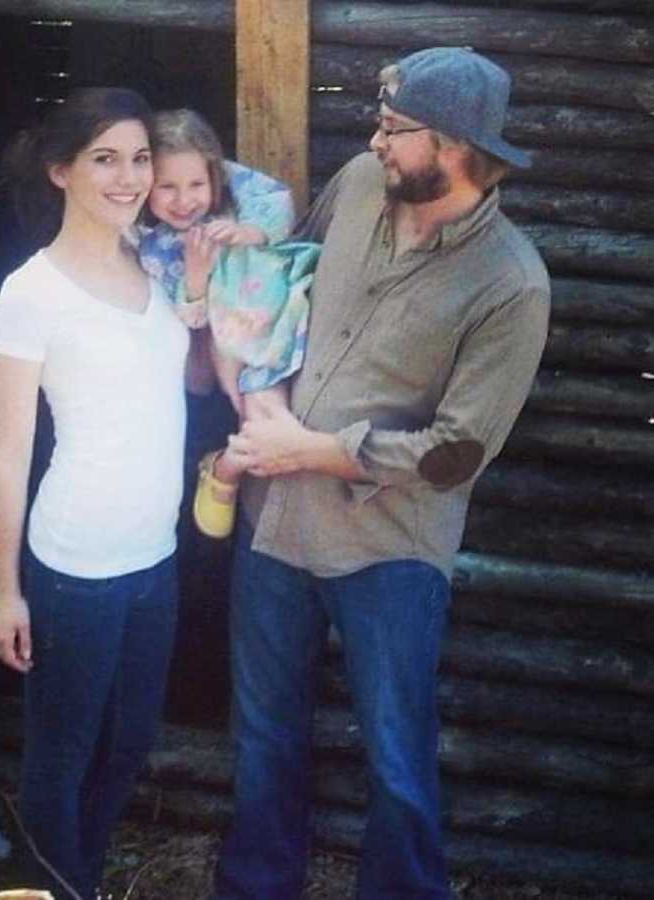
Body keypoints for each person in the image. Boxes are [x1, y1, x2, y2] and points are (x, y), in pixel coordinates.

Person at [212, 48, 551, 900]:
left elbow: (457, 451)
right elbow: (289, 286)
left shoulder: (512, 283)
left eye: (395, 131)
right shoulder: (362, 186)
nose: (374, 143)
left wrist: (317, 451)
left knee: (397, 758)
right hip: (273, 523)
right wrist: (266, 406)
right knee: (262, 737)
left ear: (454, 146)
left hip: (392, 552)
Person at [0, 87, 208, 900]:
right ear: (59, 171)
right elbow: (8, 454)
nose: (130, 177)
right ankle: (60, 887)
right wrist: (9, 589)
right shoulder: (29, 294)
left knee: (129, 742)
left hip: (155, 555)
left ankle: (79, 876)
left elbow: (180, 376)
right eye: (105, 159)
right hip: (74, 562)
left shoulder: (153, 259)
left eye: (140, 158)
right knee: (63, 750)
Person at [137, 109, 320, 538]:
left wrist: (250, 232)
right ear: (146, 185)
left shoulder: (237, 188)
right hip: (227, 336)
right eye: (167, 187)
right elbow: (192, 319)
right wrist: (197, 275)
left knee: (293, 395)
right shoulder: (156, 247)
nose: (184, 200)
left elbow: (278, 202)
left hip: (277, 312)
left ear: (214, 176)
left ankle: (255, 460)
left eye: (196, 185)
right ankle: (226, 469)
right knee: (248, 402)